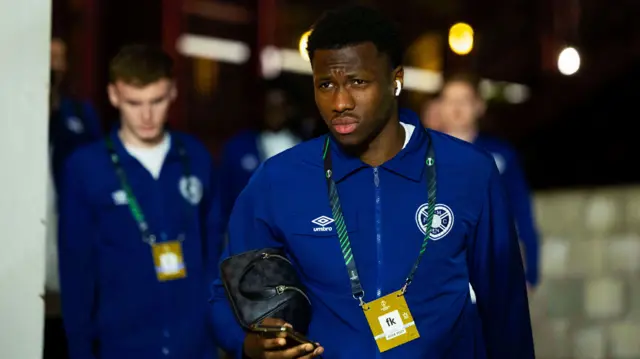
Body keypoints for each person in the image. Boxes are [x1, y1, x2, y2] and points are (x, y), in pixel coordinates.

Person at [210, 5, 534, 359]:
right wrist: (247, 344)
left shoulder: (470, 171)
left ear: (396, 79)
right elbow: (224, 293)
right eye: (326, 84)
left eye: (358, 82)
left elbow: (506, 311)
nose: (340, 102)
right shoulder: (279, 179)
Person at [58, 45, 222, 359]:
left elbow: (216, 252)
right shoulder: (86, 167)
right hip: (120, 345)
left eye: (156, 101)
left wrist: (222, 333)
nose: (147, 116)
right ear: (114, 96)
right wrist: (79, 349)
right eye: (134, 103)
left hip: (196, 344)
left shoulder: (197, 157)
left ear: (172, 92)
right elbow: (76, 269)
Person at [437, 72, 540, 290]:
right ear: (440, 106)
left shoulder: (500, 155)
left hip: (494, 264)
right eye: (449, 100)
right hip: (443, 270)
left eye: (464, 100)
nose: (456, 108)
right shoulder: (423, 156)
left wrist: (531, 269)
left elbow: (521, 208)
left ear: (478, 106)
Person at [44, 36, 102, 359]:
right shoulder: (15, 113)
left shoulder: (80, 115)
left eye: (59, 58)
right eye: (47, 56)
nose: (53, 65)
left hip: (71, 235)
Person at [219, 84, 300, 228]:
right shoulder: (238, 147)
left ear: (290, 109)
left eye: (280, 106)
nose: (275, 112)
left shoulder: (304, 148)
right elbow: (223, 198)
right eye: (270, 106)